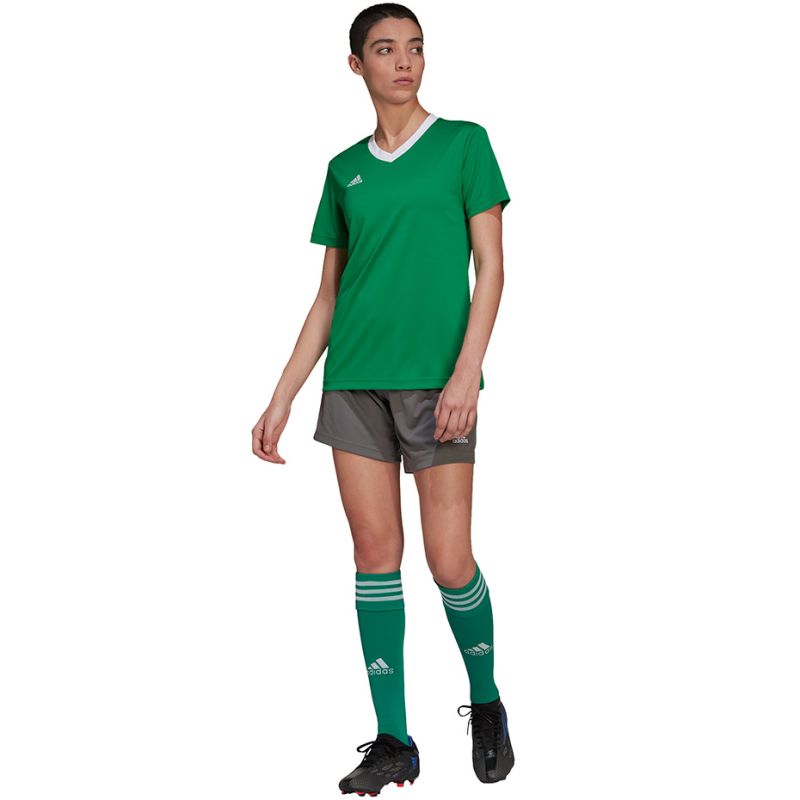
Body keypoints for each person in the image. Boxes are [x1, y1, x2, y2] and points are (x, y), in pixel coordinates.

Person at [252, 3, 514, 794]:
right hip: (354, 383)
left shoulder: (465, 144)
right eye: (386, 49)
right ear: (356, 64)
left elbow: (492, 268)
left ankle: (486, 699)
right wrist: (282, 396)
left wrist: (467, 372)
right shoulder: (344, 170)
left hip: (439, 383)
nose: (404, 61)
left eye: (416, 48)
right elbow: (329, 297)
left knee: (449, 561)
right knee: (374, 557)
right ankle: (395, 740)